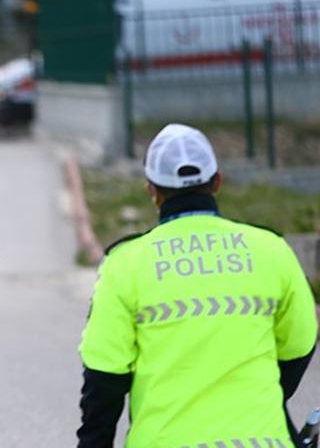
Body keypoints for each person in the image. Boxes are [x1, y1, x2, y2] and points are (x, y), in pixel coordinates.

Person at [77, 124, 318, 448]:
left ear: (151, 189)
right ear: (217, 181)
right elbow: (300, 344)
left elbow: (103, 376)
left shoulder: (125, 264)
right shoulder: (271, 249)